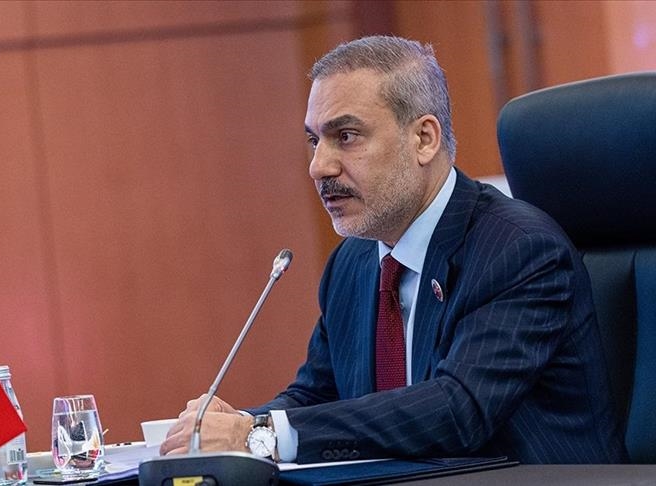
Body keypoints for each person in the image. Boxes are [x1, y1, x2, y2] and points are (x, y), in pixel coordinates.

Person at [159, 35, 627, 464]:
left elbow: (457, 409)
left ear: (424, 139)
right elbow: (317, 396)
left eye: (346, 136)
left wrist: (258, 434)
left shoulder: (517, 250)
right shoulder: (353, 261)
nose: (319, 166)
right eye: (314, 140)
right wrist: (237, 425)